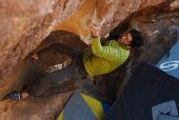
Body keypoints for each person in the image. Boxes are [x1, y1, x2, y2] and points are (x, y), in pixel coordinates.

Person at [7, 22, 143, 100]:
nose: (123, 37)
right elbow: (107, 42)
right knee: (58, 46)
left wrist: (95, 35)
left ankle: (26, 94)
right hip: (82, 57)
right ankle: (37, 55)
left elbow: (99, 51)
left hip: (82, 69)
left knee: (49, 79)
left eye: (127, 39)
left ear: (129, 46)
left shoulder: (120, 54)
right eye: (126, 34)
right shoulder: (119, 41)